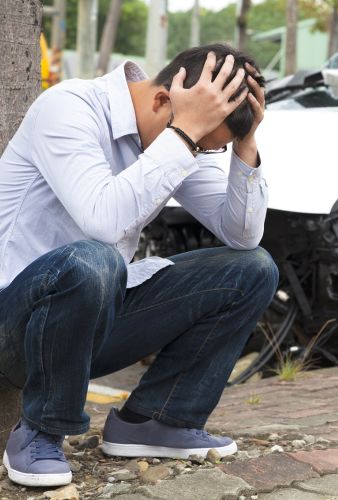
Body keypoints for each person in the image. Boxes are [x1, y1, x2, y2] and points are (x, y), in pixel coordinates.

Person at [0, 44, 278, 487]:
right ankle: (40, 432)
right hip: (14, 324)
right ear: (163, 100)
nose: (197, 153)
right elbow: (103, 221)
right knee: (95, 259)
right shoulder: (69, 107)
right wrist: (185, 137)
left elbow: (242, 236)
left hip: (89, 324)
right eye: (202, 145)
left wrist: (244, 143)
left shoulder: (182, 132)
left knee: (252, 269)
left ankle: (157, 420)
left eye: (209, 149)